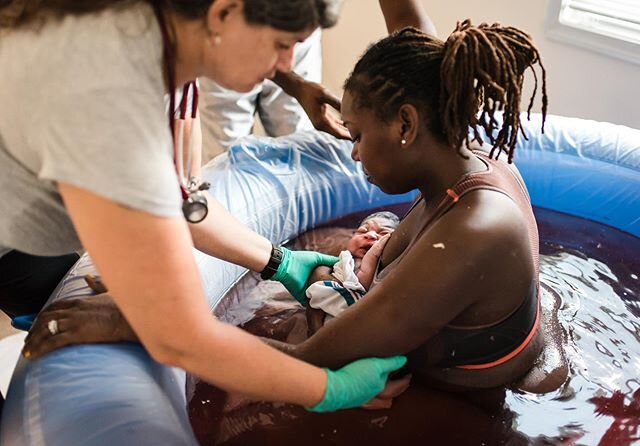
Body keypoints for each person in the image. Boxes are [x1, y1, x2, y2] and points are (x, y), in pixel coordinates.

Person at [0, 0, 409, 415]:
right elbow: (180, 337)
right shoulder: (106, 102)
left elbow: (185, 202)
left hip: (17, 220)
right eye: (283, 44)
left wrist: (280, 261)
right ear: (224, 12)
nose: (286, 65)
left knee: (57, 298)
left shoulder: (169, 51)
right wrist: (326, 386)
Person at [306, 211, 399, 334]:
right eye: (362, 231)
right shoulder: (340, 262)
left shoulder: (393, 268)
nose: (370, 235)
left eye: (384, 233)